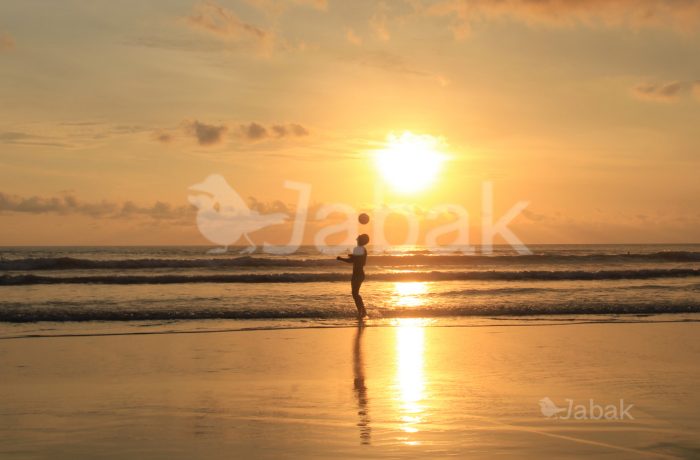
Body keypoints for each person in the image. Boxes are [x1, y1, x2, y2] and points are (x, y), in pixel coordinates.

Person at [337, 234, 369, 319]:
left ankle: (362, 312)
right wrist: (353, 257)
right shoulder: (362, 250)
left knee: (355, 294)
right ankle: (363, 312)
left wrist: (341, 259)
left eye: (358, 238)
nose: (356, 239)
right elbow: (359, 261)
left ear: (361, 240)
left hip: (357, 274)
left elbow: (354, 261)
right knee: (355, 294)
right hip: (359, 274)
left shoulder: (358, 249)